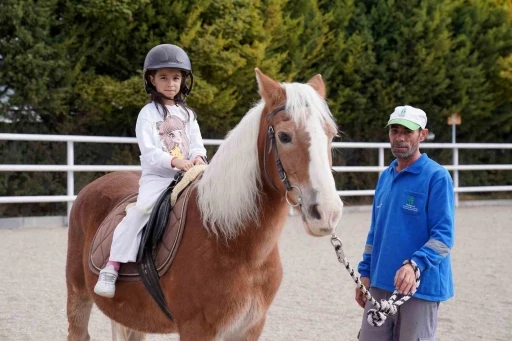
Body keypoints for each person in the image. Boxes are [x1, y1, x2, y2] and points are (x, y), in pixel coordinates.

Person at [94, 44, 207, 298]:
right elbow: (150, 152)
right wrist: (176, 162)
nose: (170, 83)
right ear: (151, 79)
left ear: (183, 81)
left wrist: (198, 156)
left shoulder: (188, 114)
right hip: (160, 177)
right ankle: (112, 266)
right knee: (142, 210)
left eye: (176, 78)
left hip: (189, 173)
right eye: (164, 77)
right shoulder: (147, 114)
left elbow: (197, 142)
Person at [355, 105, 454, 340]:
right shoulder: (385, 177)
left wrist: (414, 265)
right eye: (394, 130)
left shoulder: (437, 177)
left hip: (420, 289)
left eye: (407, 132)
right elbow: (375, 233)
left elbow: (443, 236)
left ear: (422, 134)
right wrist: (365, 273)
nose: (399, 137)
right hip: (379, 283)